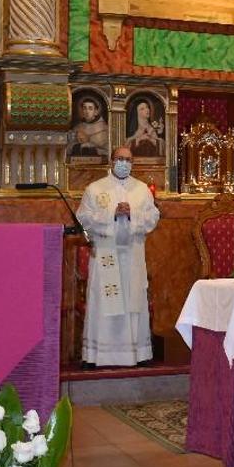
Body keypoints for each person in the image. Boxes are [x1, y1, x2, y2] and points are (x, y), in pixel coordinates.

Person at [77, 147, 161, 366]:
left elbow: (153, 218)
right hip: (106, 252)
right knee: (103, 303)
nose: (124, 163)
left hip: (132, 253)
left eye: (128, 160)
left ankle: (137, 354)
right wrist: (111, 213)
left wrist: (132, 213)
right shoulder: (95, 189)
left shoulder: (141, 189)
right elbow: (83, 218)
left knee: (133, 302)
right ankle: (98, 355)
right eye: (120, 159)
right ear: (112, 161)